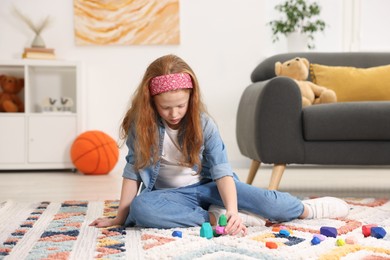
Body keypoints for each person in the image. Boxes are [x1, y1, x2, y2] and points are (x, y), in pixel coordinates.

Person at [90, 54, 349, 235]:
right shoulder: (142, 126)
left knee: (269, 204)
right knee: (141, 210)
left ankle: (306, 209)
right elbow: (132, 171)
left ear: (191, 98)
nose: (174, 113)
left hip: (210, 187)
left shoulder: (204, 124)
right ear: (151, 103)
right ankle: (216, 217)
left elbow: (222, 172)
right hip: (168, 197)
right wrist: (119, 218)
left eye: (181, 105)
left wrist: (233, 210)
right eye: (166, 107)